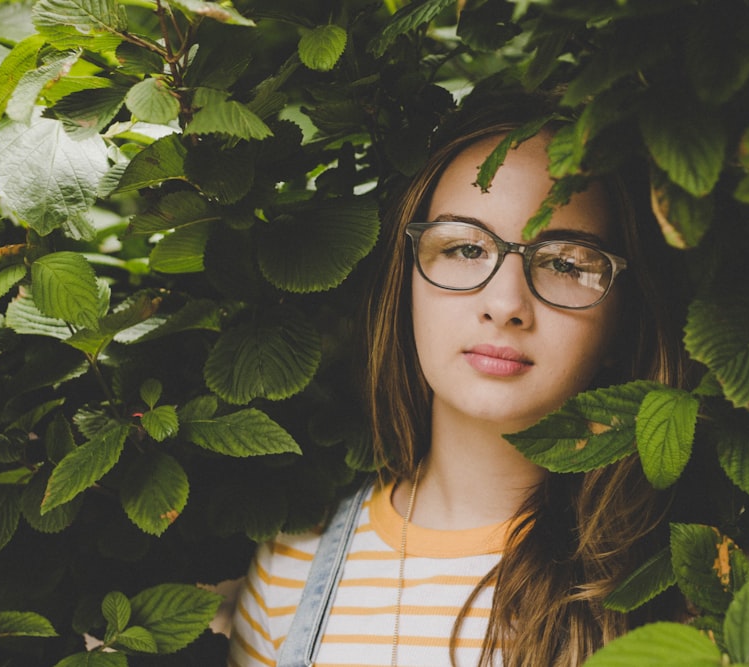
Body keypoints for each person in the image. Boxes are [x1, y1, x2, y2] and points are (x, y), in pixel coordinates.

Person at [227, 93, 688, 667]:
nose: (504, 303)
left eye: (565, 263)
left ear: (624, 322)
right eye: (466, 248)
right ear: (408, 285)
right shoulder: (289, 567)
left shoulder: (673, 584)